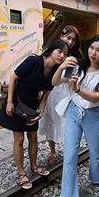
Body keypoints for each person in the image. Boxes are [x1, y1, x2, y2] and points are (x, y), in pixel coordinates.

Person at [53, 35, 99, 197]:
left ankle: (98, 178)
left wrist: (77, 89)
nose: (93, 53)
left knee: (96, 150)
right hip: (74, 111)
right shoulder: (78, 65)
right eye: (92, 48)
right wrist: (62, 66)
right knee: (70, 154)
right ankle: (68, 195)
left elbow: (96, 98)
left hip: (92, 115)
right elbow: (55, 82)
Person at [0, 39, 68, 190]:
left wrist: (42, 107)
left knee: (34, 137)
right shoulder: (33, 61)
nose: (62, 56)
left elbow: (48, 90)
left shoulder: (54, 71)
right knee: (19, 139)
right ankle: (21, 172)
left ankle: (34, 166)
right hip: (17, 104)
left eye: (65, 54)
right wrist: (9, 102)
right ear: (51, 50)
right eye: (60, 51)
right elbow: (13, 78)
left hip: (32, 108)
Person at [39, 26, 82, 165]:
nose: (70, 42)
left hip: (65, 94)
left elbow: (70, 78)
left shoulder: (72, 58)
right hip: (51, 94)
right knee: (50, 121)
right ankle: (52, 150)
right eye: (68, 37)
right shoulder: (52, 53)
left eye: (73, 40)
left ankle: (70, 151)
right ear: (61, 35)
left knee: (68, 123)